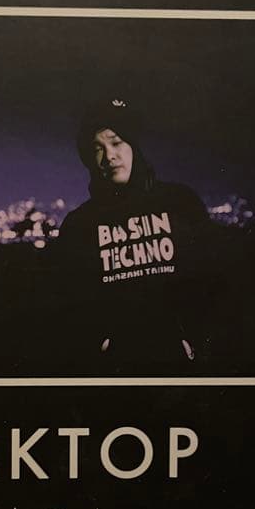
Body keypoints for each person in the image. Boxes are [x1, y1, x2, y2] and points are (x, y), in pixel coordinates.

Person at [57, 98, 214, 374]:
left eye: (116, 142)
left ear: (133, 146)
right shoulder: (79, 225)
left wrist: (195, 340)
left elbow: (211, 278)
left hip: (182, 367)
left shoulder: (180, 202)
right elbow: (68, 301)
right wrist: (99, 344)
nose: (109, 156)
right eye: (97, 148)